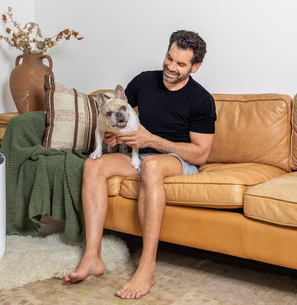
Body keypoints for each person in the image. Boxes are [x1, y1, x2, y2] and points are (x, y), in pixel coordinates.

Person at [64, 30, 217, 299]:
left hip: (177, 161)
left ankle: (147, 268)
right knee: (93, 166)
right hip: (140, 156)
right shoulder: (144, 81)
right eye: (169, 58)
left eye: (180, 64)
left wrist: (152, 140)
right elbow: (117, 112)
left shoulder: (201, 99)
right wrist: (112, 132)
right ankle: (92, 257)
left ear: (195, 67)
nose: (171, 67)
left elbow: (200, 155)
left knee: (152, 166)